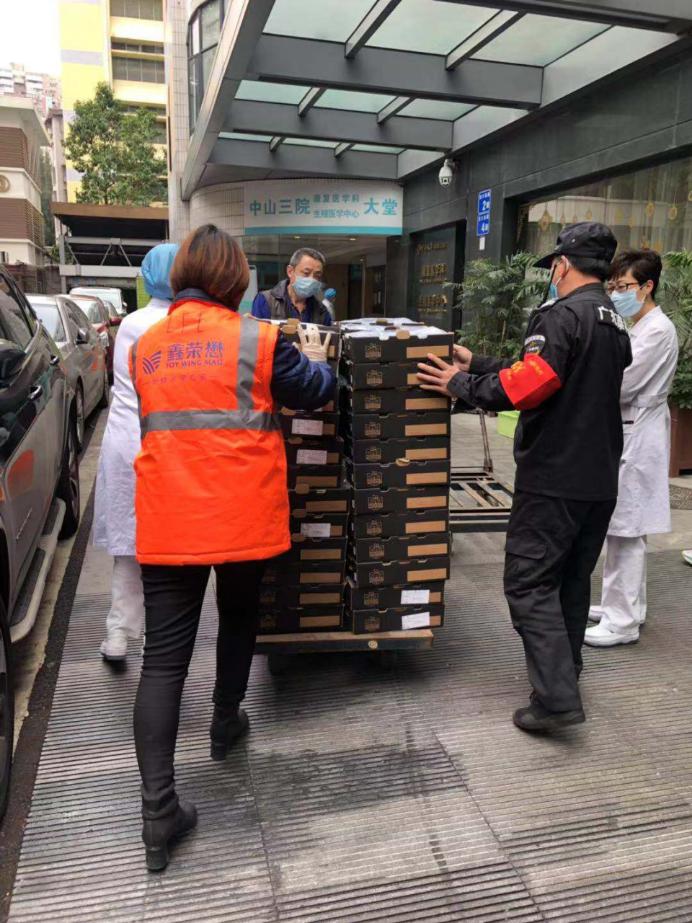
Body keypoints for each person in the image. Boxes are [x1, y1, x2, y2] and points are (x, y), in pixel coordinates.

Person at [130, 224, 335, 872]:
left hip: (169, 514)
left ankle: (158, 811)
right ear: (236, 279)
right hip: (241, 513)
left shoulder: (146, 345)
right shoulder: (259, 338)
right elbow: (317, 390)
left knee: (163, 660)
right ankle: (224, 721)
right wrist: (326, 361)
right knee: (240, 615)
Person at [417, 223, 632, 733]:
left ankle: (556, 699)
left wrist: (460, 383)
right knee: (570, 581)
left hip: (555, 477)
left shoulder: (561, 315)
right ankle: (566, 673)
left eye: (553, 265)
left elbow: (528, 388)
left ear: (562, 265)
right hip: (598, 475)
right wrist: (479, 363)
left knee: (528, 581)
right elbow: (552, 373)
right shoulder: (613, 320)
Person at [585, 250, 678, 647]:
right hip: (631, 429)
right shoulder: (639, 326)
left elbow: (623, 383)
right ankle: (624, 607)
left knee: (626, 528)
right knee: (626, 527)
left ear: (647, 286)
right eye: (614, 286)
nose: (617, 294)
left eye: (624, 286)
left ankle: (621, 622)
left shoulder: (657, 331)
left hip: (638, 431)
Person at [93, 243, 179, 663]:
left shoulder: (131, 323)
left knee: (128, 546)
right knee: (168, 550)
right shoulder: (185, 324)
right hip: (170, 445)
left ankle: (118, 635)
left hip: (126, 441)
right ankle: (158, 640)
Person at [251, 247, 332, 325]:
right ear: (290, 271)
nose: (312, 279)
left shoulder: (321, 310)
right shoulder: (266, 300)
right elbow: (257, 332)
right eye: (306, 273)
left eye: (317, 275)